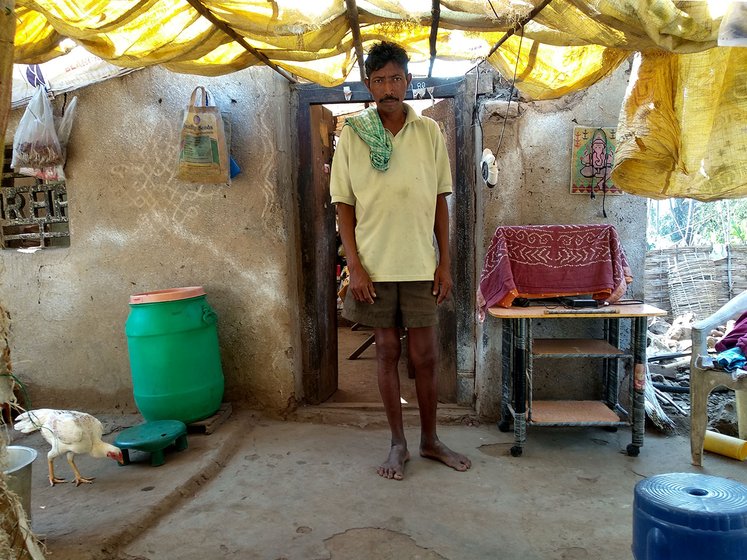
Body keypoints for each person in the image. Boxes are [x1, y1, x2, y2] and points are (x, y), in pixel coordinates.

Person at [330, 41, 471, 480]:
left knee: (425, 356)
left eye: (395, 78)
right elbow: (343, 207)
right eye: (379, 80)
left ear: (408, 81)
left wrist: (444, 263)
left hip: (419, 263)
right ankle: (398, 443)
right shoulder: (354, 135)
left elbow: (439, 203)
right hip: (373, 265)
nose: (388, 88)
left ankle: (430, 440)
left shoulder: (429, 133)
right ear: (368, 85)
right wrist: (354, 266)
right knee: (387, 351)